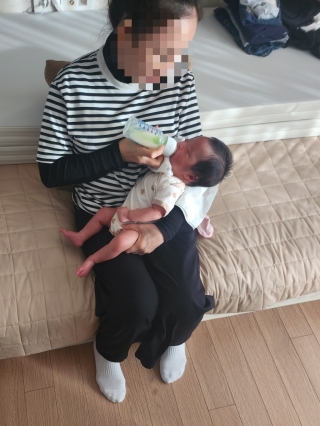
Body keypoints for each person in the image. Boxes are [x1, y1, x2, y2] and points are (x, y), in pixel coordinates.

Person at [38, 0, 217, 403]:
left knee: (187, 303)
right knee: (137, 306)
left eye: (181, 50)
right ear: (126, 29)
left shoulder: (179, 78)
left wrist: (163, 228)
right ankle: (108, 351)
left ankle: (175, 336)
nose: (173, 64)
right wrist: (118, 153)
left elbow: (195, 172)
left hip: (164, 207)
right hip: (105, 211)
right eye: (164, 50)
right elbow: (51, 172)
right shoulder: (72, 85)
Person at [60, 135, 233, 277]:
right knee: (103, 213)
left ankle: (93, 259)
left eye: (187, 150)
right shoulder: (170, 167)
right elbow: (160, 149)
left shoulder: (173, 188)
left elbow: (156, 212)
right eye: (188, 140)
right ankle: (81, 236)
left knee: (119, 243)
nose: (181, 144)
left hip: (135, 227)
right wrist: (152, 136)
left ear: (190, 177)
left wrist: (129, 215)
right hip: (122, 213)